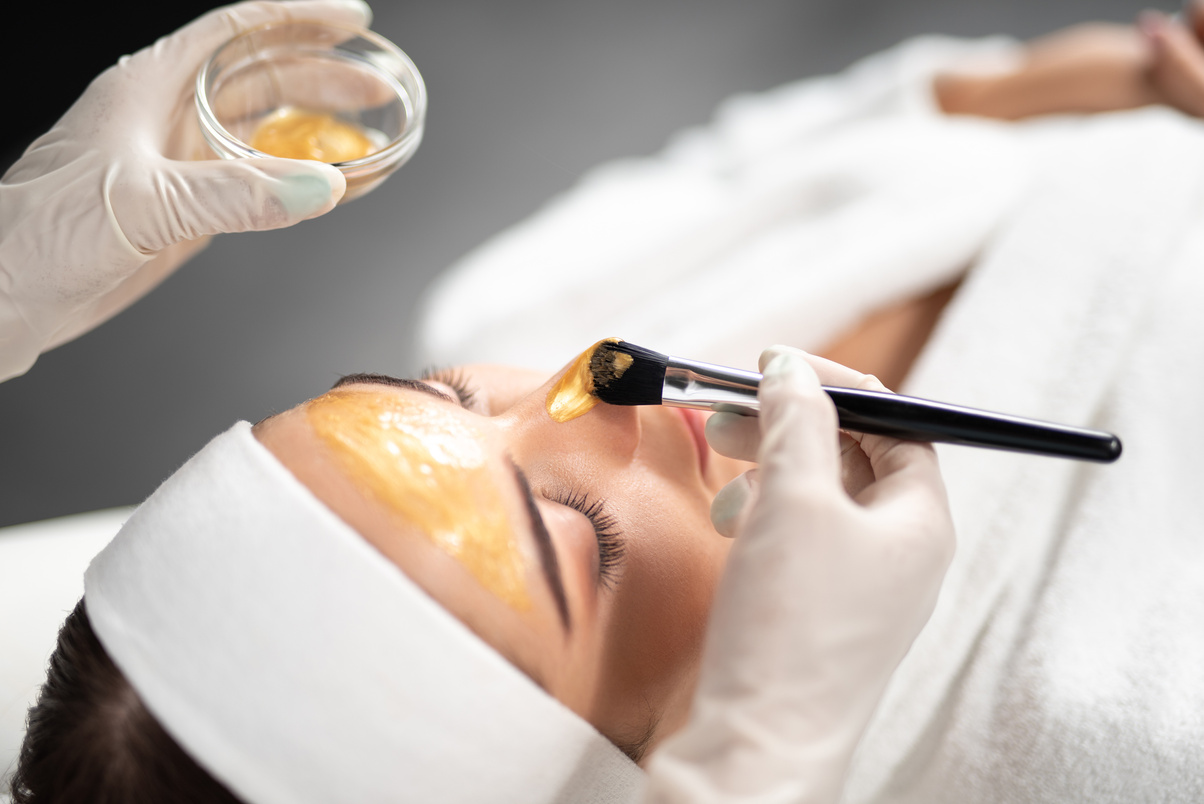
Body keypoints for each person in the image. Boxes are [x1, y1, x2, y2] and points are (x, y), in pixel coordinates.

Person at [0, 2, 954, 803]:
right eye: (582, 535)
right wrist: (765, 749)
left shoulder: (508, 308)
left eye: (450, 399)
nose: (584, 381)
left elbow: (757, 161)